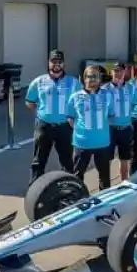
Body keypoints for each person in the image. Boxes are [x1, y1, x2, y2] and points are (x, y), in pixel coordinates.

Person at [25, 50, 80, 182]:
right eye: (53, 62)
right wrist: (43, 114)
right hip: (44, 126)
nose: (56, 65)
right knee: (39, 161)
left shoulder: (73, 82)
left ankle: (69, 189)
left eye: (59, 62)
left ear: (64, 64)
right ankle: (35, 189)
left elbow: (81, 102)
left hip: (65, 127)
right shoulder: (38, 82)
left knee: (67, 162)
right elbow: (29, 102)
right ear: (48, 63)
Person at [66, 65, 115, 188]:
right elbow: (70, 119)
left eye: (95, 76)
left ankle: (104, 202)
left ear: (99, 79)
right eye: (89, 76)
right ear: (84, 78)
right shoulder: (75, 97)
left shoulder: (108, 95)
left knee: (104, 177)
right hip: (82, 144)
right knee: (78, 176)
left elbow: (111, 116)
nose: (92, 79)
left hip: (102, 144)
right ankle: (79, 199)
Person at [102, 62, 133, 184]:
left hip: (125, 129)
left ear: (125, 72)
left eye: (120, 71)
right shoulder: (104, 90)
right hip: (110, 130)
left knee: (124, 160)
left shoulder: (130, 88)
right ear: (111, 72)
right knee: (106, 160)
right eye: (115, 71)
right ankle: (105, 187)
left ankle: (124, 185)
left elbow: (135, 103)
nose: (118, 73)